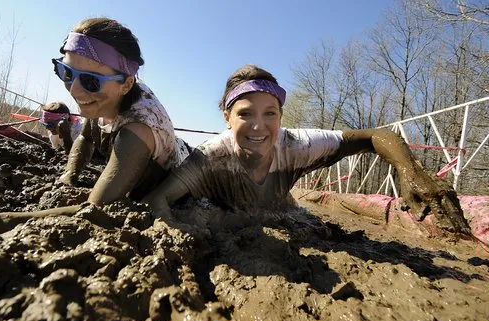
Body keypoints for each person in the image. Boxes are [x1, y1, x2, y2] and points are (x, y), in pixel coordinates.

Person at [143, 64, 471, 235]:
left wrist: (410, 171)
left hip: (286, 213)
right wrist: (194, 232)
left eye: (269, 113)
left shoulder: (298, 145)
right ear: (227, 117)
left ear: (281, 116)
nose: (258, 126)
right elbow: (157, 200)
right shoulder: (211, 155)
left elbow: (374, 137)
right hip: (228, 210)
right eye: (245, 114)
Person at [0, 17, 190, 223]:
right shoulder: (104, 99)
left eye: (91, 81)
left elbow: (95, 209)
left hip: (179, 179)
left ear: (126, 84)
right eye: (66, 72)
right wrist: (70, 174)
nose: (75, 89)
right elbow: (86, 137)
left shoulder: (138, 131)